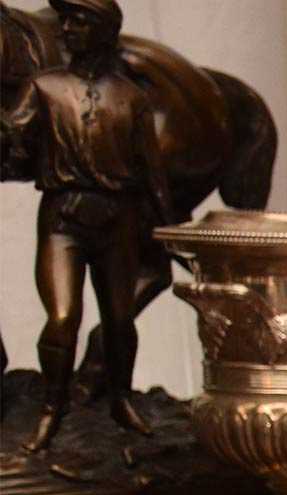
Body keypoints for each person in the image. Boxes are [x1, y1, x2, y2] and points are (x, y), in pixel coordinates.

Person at [0, 0, 173, 454]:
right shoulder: (44, 86)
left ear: (103, 32)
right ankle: (51, 409)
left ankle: (119, 399)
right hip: (63, 220)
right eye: (67, 21)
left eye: (78, 22)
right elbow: (11, 132)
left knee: (119, 320)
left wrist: (170, 229)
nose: (67, 30)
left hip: (117, 219)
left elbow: (152, 172)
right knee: (62, 319)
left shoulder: (130, 98)